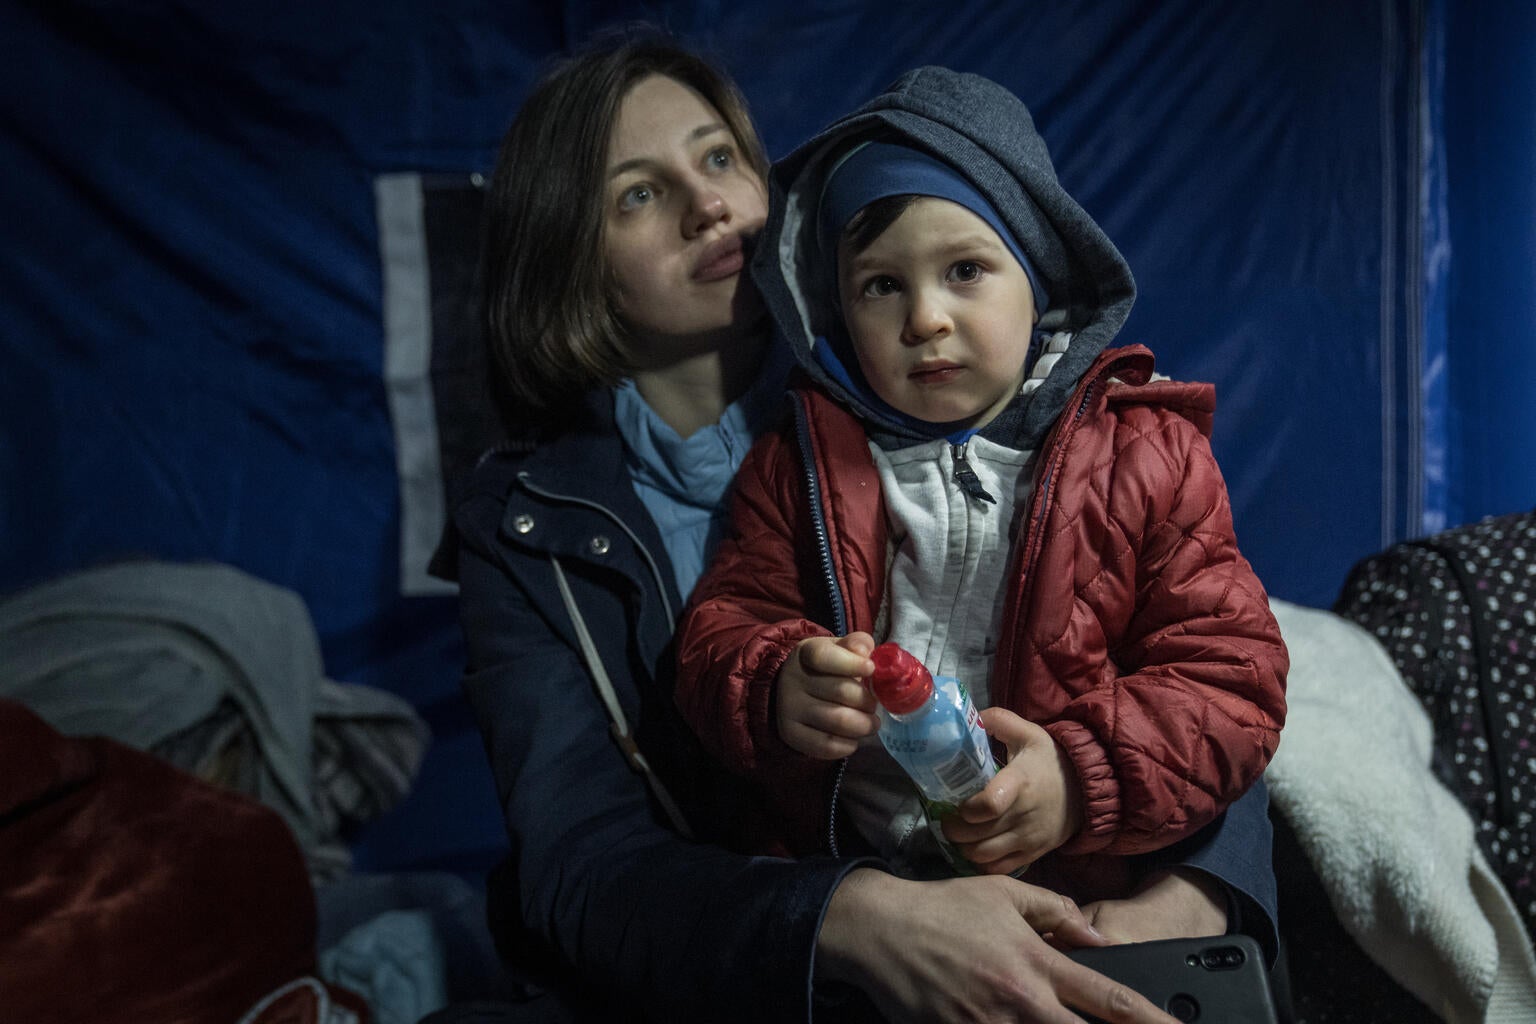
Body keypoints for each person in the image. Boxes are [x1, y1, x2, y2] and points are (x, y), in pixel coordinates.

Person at [441, 30, 1278, 1024]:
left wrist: (1193, 895)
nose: (706, 203)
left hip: (1071, 884)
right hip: (765, 955)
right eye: (638, 194)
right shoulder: (536, 520)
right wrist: (856, 916)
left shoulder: (1002, 423)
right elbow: (580, 866)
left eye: (718, 159)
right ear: (569, 259)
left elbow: (1208, 665)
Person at [674, 69, 1287, 896]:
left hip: (1077, 885)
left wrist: (1078, 781)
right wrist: (774, 683)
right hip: (864, 890)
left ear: (1038, 283)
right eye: (882, 285)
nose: (924, 318)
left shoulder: (1148, 455)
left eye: (965, 271)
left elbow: (1229, 676)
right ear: (836, 313)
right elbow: (723, 628)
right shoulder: (797, 464)